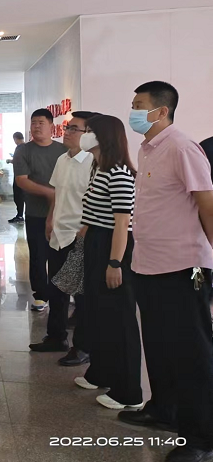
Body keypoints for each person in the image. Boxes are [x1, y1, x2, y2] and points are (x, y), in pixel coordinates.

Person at [120, 81, 213, 462]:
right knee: (158, 347)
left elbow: (207, 205)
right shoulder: (148, 150)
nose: (134, 112)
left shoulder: (181, 147)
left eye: (139, 105)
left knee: (191, 354)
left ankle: (201, 437)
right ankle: (164, 409)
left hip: (182, 267)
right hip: (148, 265)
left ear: (161, 111)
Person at [74, 114, 143, 411]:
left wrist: (115, 263)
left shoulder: (119, 173)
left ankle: (128, 392)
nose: (84, 135)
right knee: (98, 313)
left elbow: (123, 223)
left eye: (90, 130)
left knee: (119, 319)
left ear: (105, 137)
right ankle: (100, 372)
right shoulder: (98, 169)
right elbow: (93, 213)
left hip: (112, 247)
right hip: (95, 243)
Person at [29, 111, 96, 366]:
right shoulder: (62, 159)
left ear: (89, 135)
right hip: (58, 233)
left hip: (79, 236)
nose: (67, 132)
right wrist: (49, 219)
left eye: (74, 129)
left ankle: (83, 347)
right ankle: (56, 337)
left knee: (81, 296)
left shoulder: (93, 162)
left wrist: (85, 230)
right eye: (67, 127)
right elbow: (57, 193)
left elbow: (97, 202)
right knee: (56, 289)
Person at [13, 110, 68, 311]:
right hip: (36, 213)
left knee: (61, 256)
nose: (36, 126)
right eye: (33, 122)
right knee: (38, 255)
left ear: (51, 126)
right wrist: (50, 193)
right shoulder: (23, 151)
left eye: (41, 122)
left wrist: (58, 197)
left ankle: (61, 294)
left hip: (63, 214)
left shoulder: (63, 150)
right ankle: (40, 295)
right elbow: (22, 181)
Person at [7, 132, 26, 224]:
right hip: (25, 176)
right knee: (22, 196)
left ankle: (19, 215)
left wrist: (10, 160)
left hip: (19, 176)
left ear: (15, 138)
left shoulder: (19, 147)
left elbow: (18, 161)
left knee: (18, 197)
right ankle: (21, 215)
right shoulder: (26, 147)